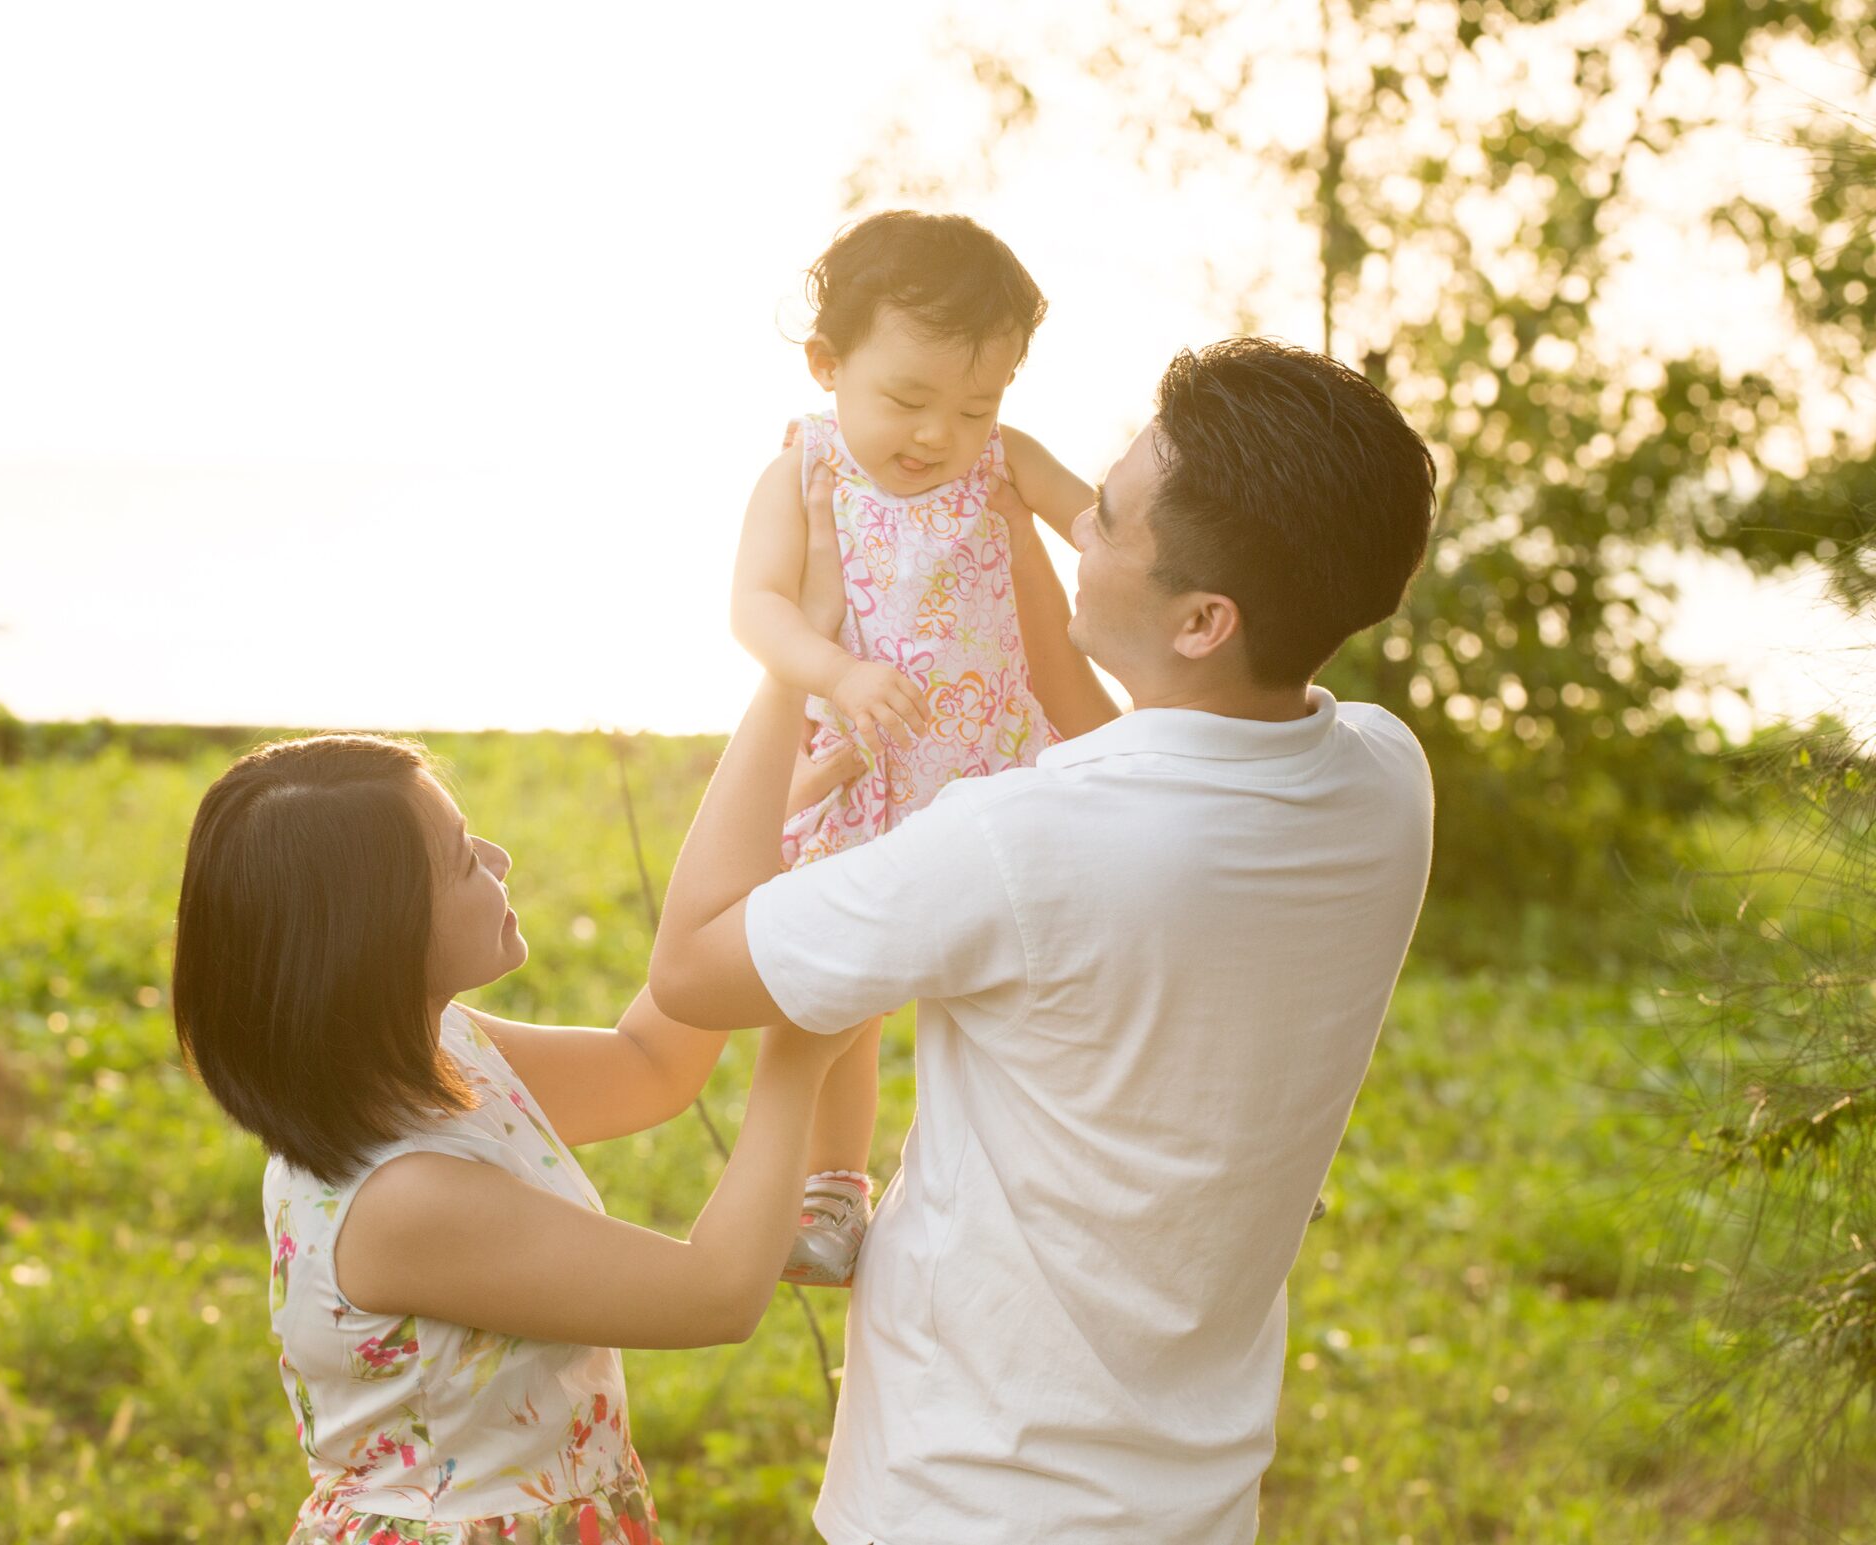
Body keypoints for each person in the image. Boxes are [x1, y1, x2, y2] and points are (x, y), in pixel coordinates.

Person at [652, 337, 1440, 1544]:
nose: (1077, 529)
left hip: (967, 1497)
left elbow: (693, 968)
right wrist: (1008, 536)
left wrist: (790, 659)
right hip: (1195, 1496)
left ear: (1203, 619)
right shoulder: (1384, 783)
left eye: (1106, 520)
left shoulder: (1021, 844)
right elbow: (1139, 743)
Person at [169, 722, 862, 1532]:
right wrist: (796, 1060)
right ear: (378, 938)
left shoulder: (432, 1052)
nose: (499, 859)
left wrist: (759, 853)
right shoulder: (405, 1200)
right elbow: (715, 1294)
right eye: (463, 859)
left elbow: (649, 1064)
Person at [730, 210, 1102, 1285]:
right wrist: (837, 672)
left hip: (996, 774)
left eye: (976, 404)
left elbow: (1101, 530)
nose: (939, 433)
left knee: (1059, 975)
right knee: (834, 1010)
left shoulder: (999, 464)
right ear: (826, 363)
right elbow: (754, 607)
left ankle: (1157, 1139)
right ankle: (832, 1191)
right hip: (861, 778)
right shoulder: (806, 471)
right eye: (906, 399)